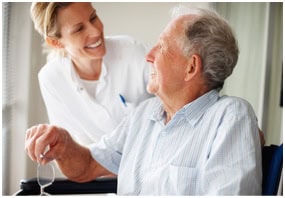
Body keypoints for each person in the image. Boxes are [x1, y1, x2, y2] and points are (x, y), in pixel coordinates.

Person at [25, 7, 262, 195]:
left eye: (162, 46)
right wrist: (63, 144)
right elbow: (87, 165)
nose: (148, 55)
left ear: (191, 67)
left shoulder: (229, 117)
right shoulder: (145, 113)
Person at [30, 2, 152, 145]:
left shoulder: (131, 50)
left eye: (93, 17)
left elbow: (172, 103)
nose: (96, 31)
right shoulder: (51, 78)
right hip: (98, 165)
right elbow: (69, 145)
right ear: (55, 42)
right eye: (79, 29)